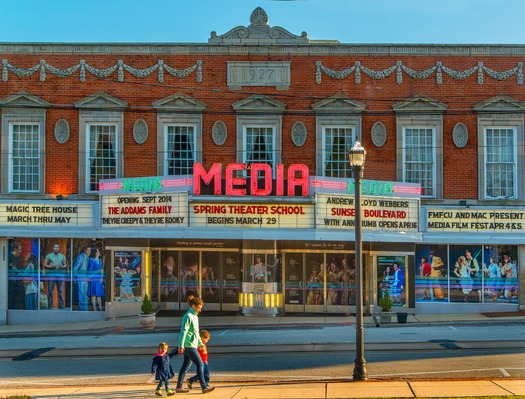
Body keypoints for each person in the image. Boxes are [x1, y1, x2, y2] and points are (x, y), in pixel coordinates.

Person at [175, 296, 215, 394]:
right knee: (200, 364)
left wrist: (200, 344)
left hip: (192, 344)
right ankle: (204, 386)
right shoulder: (188, 316)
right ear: (193, 306)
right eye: (199, 307)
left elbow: (196, 333)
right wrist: (181, 346)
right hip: (189, 345)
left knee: (185, 366)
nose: (200, 310)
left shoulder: (195, 316)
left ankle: (179, 387)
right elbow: (183, 332)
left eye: (201, 308)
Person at [44, 243, 68, 309]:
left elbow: (65, 265)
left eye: (57, 247)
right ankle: (50, 306)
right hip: (51, 274)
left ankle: (61, 306)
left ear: (59, 248)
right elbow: (45, 264)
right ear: (53, 248)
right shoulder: (49, 256)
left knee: (60, 291)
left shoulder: (62, 256)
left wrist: (62, 266)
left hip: (60, 274)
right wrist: (50, 266)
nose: (56, 248)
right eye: (55, 247)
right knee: (50, 291)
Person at [74, 245, 91, 311]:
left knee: (85, 295)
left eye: (90, 250)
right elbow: (75, 267)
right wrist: (77, 276)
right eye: (88, 250)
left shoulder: (89, 258)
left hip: (86, 279)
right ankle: (82, 310)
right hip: (81, 278)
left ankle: (86, 309)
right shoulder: (80, 257)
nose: (89, 252)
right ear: (85, 250)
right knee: (81, 294)